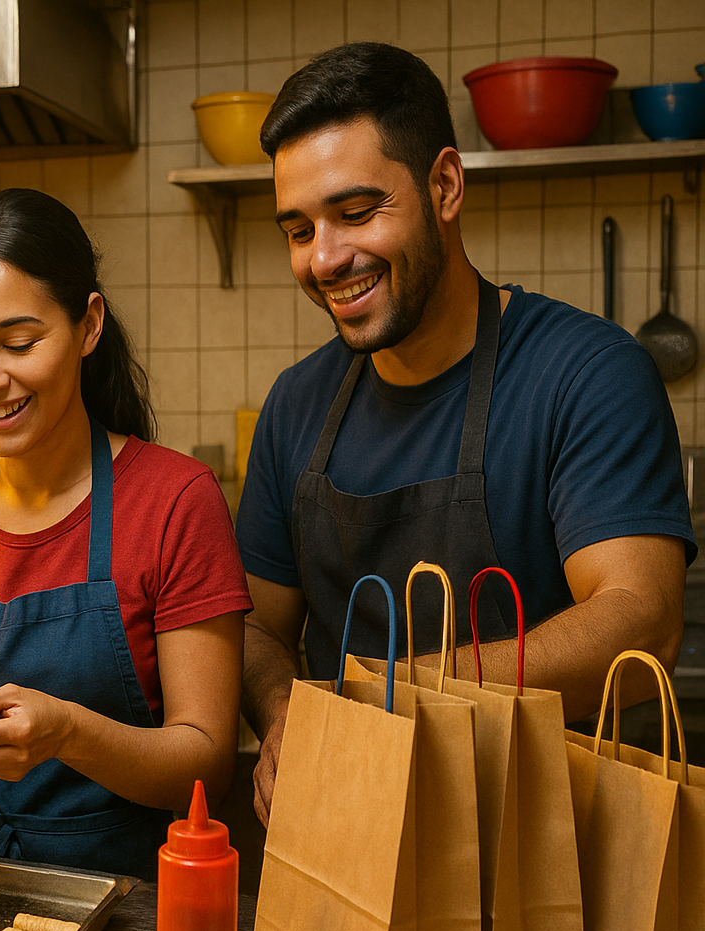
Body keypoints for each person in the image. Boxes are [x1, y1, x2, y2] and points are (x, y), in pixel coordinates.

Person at [236, 42, 696, 825]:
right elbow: (253, 625)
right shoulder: (295, 405)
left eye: (354, 213)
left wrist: (400, 694)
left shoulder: (587, 374)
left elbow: (641, 617)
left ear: (444, 186)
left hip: (550, 847)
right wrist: (283, 715)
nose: (325, 258)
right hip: (353, 833)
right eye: (298, 229)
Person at [0, 188, 249, 878]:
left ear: (88, 326)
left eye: (18, 343)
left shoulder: (177, 502)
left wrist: (68, 733)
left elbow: (205, 767)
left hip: (119, 907)